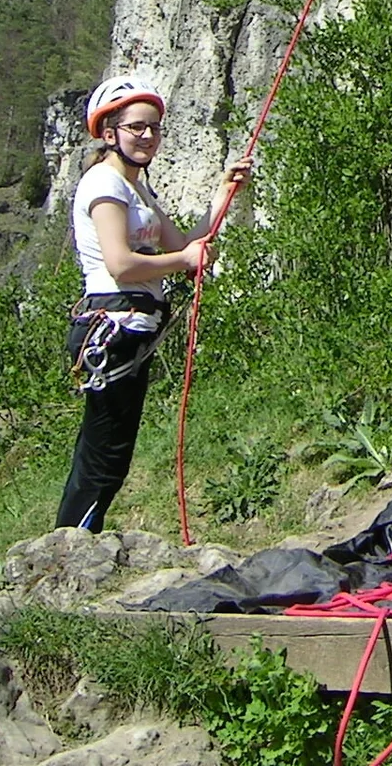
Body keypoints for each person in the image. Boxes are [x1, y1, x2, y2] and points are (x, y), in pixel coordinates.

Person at [56, 75, 250, 533]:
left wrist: (223, 195)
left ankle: (74, 543)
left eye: (155, 128)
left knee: (112, 452)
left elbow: (185, 246)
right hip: (113, 324)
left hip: (132, 328)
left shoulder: (139, 191)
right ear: (109, 133)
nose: (148, 136)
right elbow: (122, 264)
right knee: (104, 454)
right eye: (137, 127)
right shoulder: (104, 184)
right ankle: (69, 547)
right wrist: (184, 257)